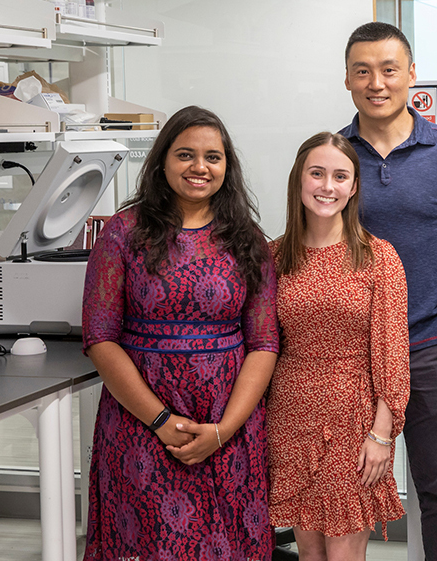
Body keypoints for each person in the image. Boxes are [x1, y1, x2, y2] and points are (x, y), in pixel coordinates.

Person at [81, 105, 279, 560]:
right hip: (141, 425)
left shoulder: (248, 239)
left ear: (227, 167)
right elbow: (99, 336)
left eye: (213, 157)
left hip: (227, 427)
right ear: (162, 161)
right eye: (185, 155)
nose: (199, 168)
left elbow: (264, 343)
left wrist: (223, 430)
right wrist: (160, 421)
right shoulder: (123, 234)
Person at [339, 22, 437, 561]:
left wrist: (409, 301)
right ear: (348, 79)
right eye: (363, 71)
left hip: (430, 345)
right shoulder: (335, 157)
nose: (377, 82)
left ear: (411, 76)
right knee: (346, 489)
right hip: (351, 355)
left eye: (389, 69)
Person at [267, 132, 410, 560]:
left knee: (344, 556)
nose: (327, 186)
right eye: (317, 173)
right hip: (290, 420)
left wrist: (381, 436)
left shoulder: (378, 257)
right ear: (299, 180)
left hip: (353, 423)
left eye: (340, 176)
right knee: (309, 555)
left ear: (353, 187)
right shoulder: (273, 258)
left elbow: (393, 353)